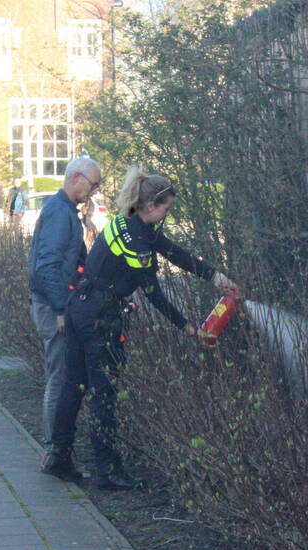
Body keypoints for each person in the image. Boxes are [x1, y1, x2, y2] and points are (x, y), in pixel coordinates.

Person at [43, 165, 240, 490]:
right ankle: (108, 472)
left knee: (73, 386)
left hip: (80, 307)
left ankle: (58, 457)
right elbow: (152, 291)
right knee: (103, 395)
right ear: (151, 205)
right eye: (166, 208)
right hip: (98, 319)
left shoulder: (128, 224)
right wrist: (187, 327)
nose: (167, 215)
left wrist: (217, 277)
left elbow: (176, 254)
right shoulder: (136, 239)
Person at [28, 157, 101, 480]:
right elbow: (47, 267)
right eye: (93, 184)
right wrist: (60, 309)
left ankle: (57, 451)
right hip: (52, 307)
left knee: (62, 377)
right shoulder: (60, 213)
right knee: (59, 378)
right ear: (77, 178)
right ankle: (54, 453)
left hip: (55, 304)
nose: (95, 191)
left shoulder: (66, 212)